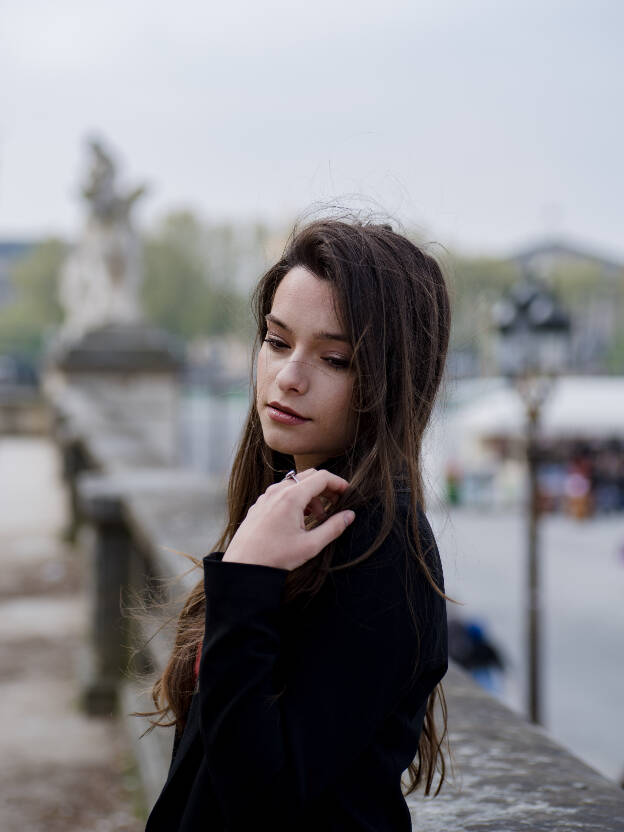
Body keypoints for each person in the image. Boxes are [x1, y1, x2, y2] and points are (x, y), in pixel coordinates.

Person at [141, 218, 452, 831]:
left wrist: (246, 580)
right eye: (277, 341)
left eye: (335, 358)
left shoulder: (378, 546)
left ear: (391, 382)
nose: (288, 376)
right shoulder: (296, 510)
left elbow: (261, 803)